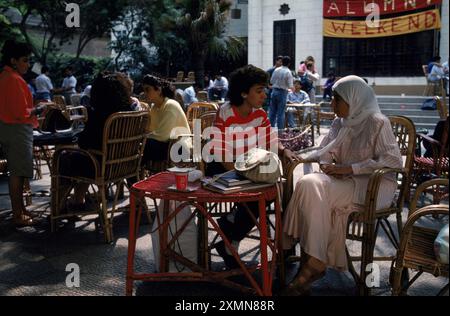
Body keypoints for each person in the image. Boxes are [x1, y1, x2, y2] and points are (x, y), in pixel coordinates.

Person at [282, 75, 402, 295]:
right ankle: (315, 263)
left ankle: (306, 262)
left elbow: (393, 161)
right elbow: (327, 150)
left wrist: (350, 168)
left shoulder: (377, 121)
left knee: (312, 187)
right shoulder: (341, 122)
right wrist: (327, 164)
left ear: (353, 99)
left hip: (374, 186)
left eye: (337, 99)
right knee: (308, 183)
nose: (332, 103)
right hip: (344, 182)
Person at [207, 65, 296, 269]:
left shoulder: (260, 114)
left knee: (268, 191)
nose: (265, 95)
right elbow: (221, 152)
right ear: (243, 92)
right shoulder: (225, 112)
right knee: (259, 192)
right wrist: (244, 176)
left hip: (246, 168)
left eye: (265, 89)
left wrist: (283, 151)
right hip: (222, 168)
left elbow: (270, 139)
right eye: (259, 90)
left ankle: (230, 232)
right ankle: (230, 231)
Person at [56, 72, 140, 209]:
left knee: (64, 158)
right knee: (87, 156)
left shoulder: (99, 114)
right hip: (127, 166)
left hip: (102, 168)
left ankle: (59, 205)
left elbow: (84, 143)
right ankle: (78, 199)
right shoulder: (131, 112)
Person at [0, 40, 47, 226]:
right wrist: (39, 109)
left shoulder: (7, 77)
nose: (28, 64)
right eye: (25, 60)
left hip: (13, 128)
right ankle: (18, 215)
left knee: (18, 172)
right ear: (13, 60)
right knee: (18, 173)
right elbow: (21, 112)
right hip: (16, 129)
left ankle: (20, 210)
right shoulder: (12, 79)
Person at [141, 75, 190, 165]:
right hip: (168, 144)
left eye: (147, 90)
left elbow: (162, 136)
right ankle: (135, 174)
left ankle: (133, 174)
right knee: (141, 145)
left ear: (158, 90)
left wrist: (142, 139)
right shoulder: (155, 107)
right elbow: (150, 130)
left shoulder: (170, 105)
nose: (144, 93)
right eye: (144, 90)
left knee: (144, 145)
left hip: (180, 147)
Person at [269, 56, 294, 130]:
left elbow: (271, 81)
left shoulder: (276, 69)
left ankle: (270, 129)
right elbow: (290, 85)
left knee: (272, 112)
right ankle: (280, 131)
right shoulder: (288, 72)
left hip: (274, 91)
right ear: (289, 64)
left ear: (282, 62)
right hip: (283, 92)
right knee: (281, 113)